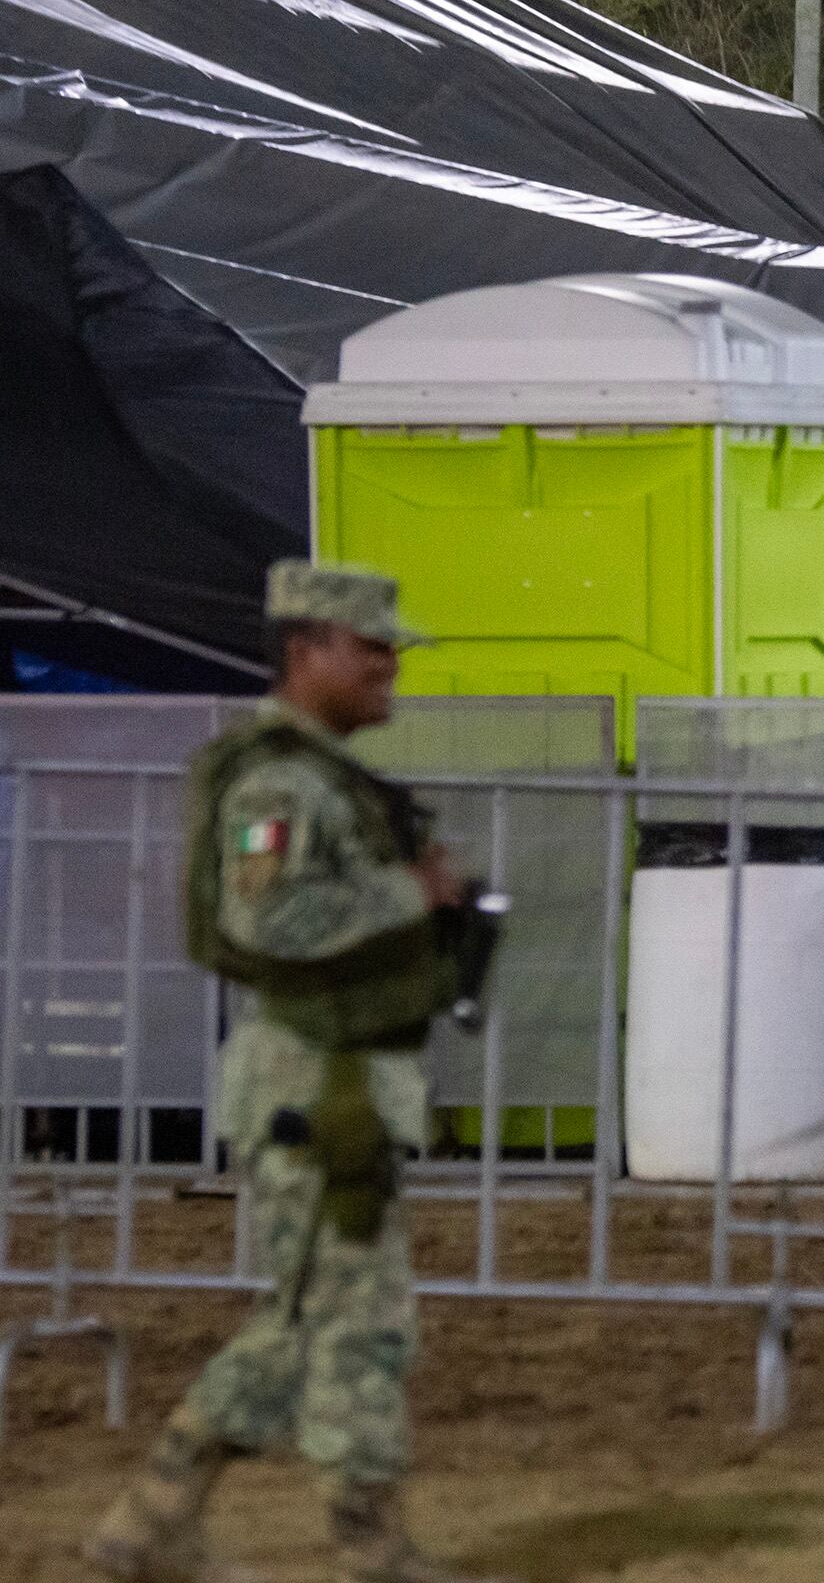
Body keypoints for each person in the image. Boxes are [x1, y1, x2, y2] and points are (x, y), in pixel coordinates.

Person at [88, 561, 507, 1583]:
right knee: (359, 1320)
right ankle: (371, 1550)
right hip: (320, 1088)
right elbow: (262, 917)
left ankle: (148, 1527)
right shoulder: (284, 782)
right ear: (306, 647)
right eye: (371, 646)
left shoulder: (322, 775)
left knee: (303, 1317)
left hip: (338, 1082)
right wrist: (407, 891)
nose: (388, 665)